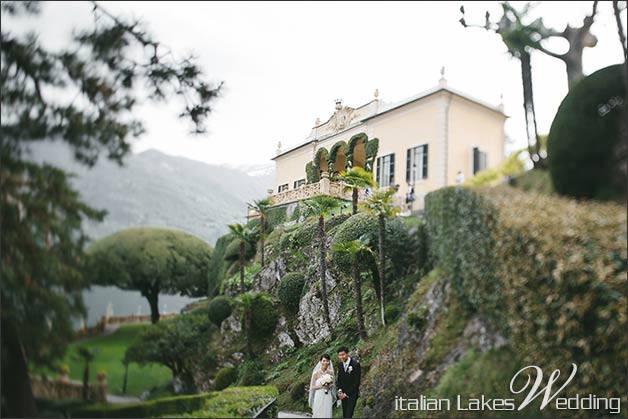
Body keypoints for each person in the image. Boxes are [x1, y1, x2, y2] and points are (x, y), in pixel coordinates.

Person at [336, 346, 361, 418]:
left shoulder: (355, 364)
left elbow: (357, 383)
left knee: (348, 415)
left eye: (343, 354)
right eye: (340, 355)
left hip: (352, 394)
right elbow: (339, 379)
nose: (341, 357)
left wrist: (346, 394)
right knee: (345, 415)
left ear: (347, 354)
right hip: (343, 394)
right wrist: (340, 390)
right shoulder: (340, 365)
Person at [309, 354, 336, 418]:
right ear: (320, 362)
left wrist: (329, 385)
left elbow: (333, 385)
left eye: (327, 361)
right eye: (324, 361)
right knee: (319, 412)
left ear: (329, 362)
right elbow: (312, 387)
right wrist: (322, 386)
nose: (325, 362)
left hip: (327, 395)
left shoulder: (331, 372)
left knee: (327, 411)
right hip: (319, 395)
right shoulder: (316, 373)